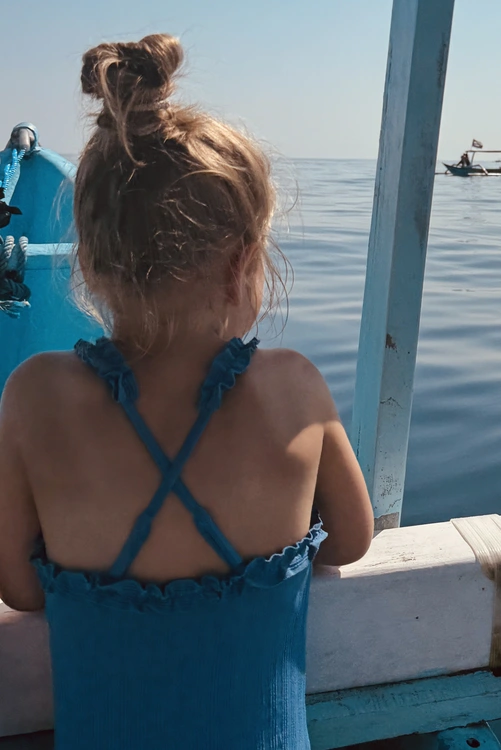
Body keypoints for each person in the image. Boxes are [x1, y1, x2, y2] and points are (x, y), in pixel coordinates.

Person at [0, 34, 374, 749]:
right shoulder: (293, 389)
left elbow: (18, 587)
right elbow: (351, 541)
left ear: (91, 263)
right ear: (241, 265)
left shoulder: (34, 397)